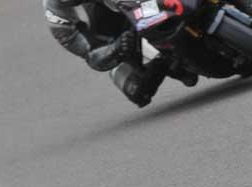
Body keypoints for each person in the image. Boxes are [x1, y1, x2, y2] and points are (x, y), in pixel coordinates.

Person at [42, 0, 209, 107]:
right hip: (129, 25)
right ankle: (168, 61)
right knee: (137, 89)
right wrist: (116, 48)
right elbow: (86, 51)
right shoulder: (54, 9)